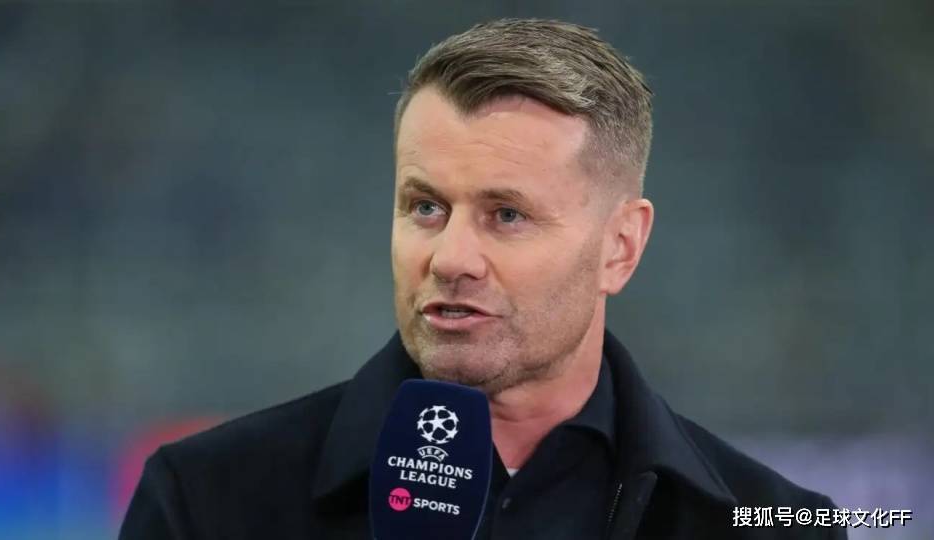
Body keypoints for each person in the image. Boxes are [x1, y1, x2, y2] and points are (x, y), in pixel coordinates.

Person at [120, 18, 844, 539]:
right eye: (425, 207)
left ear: (620, 247)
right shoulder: (206, 503)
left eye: (507, 215)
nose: (451, 258)